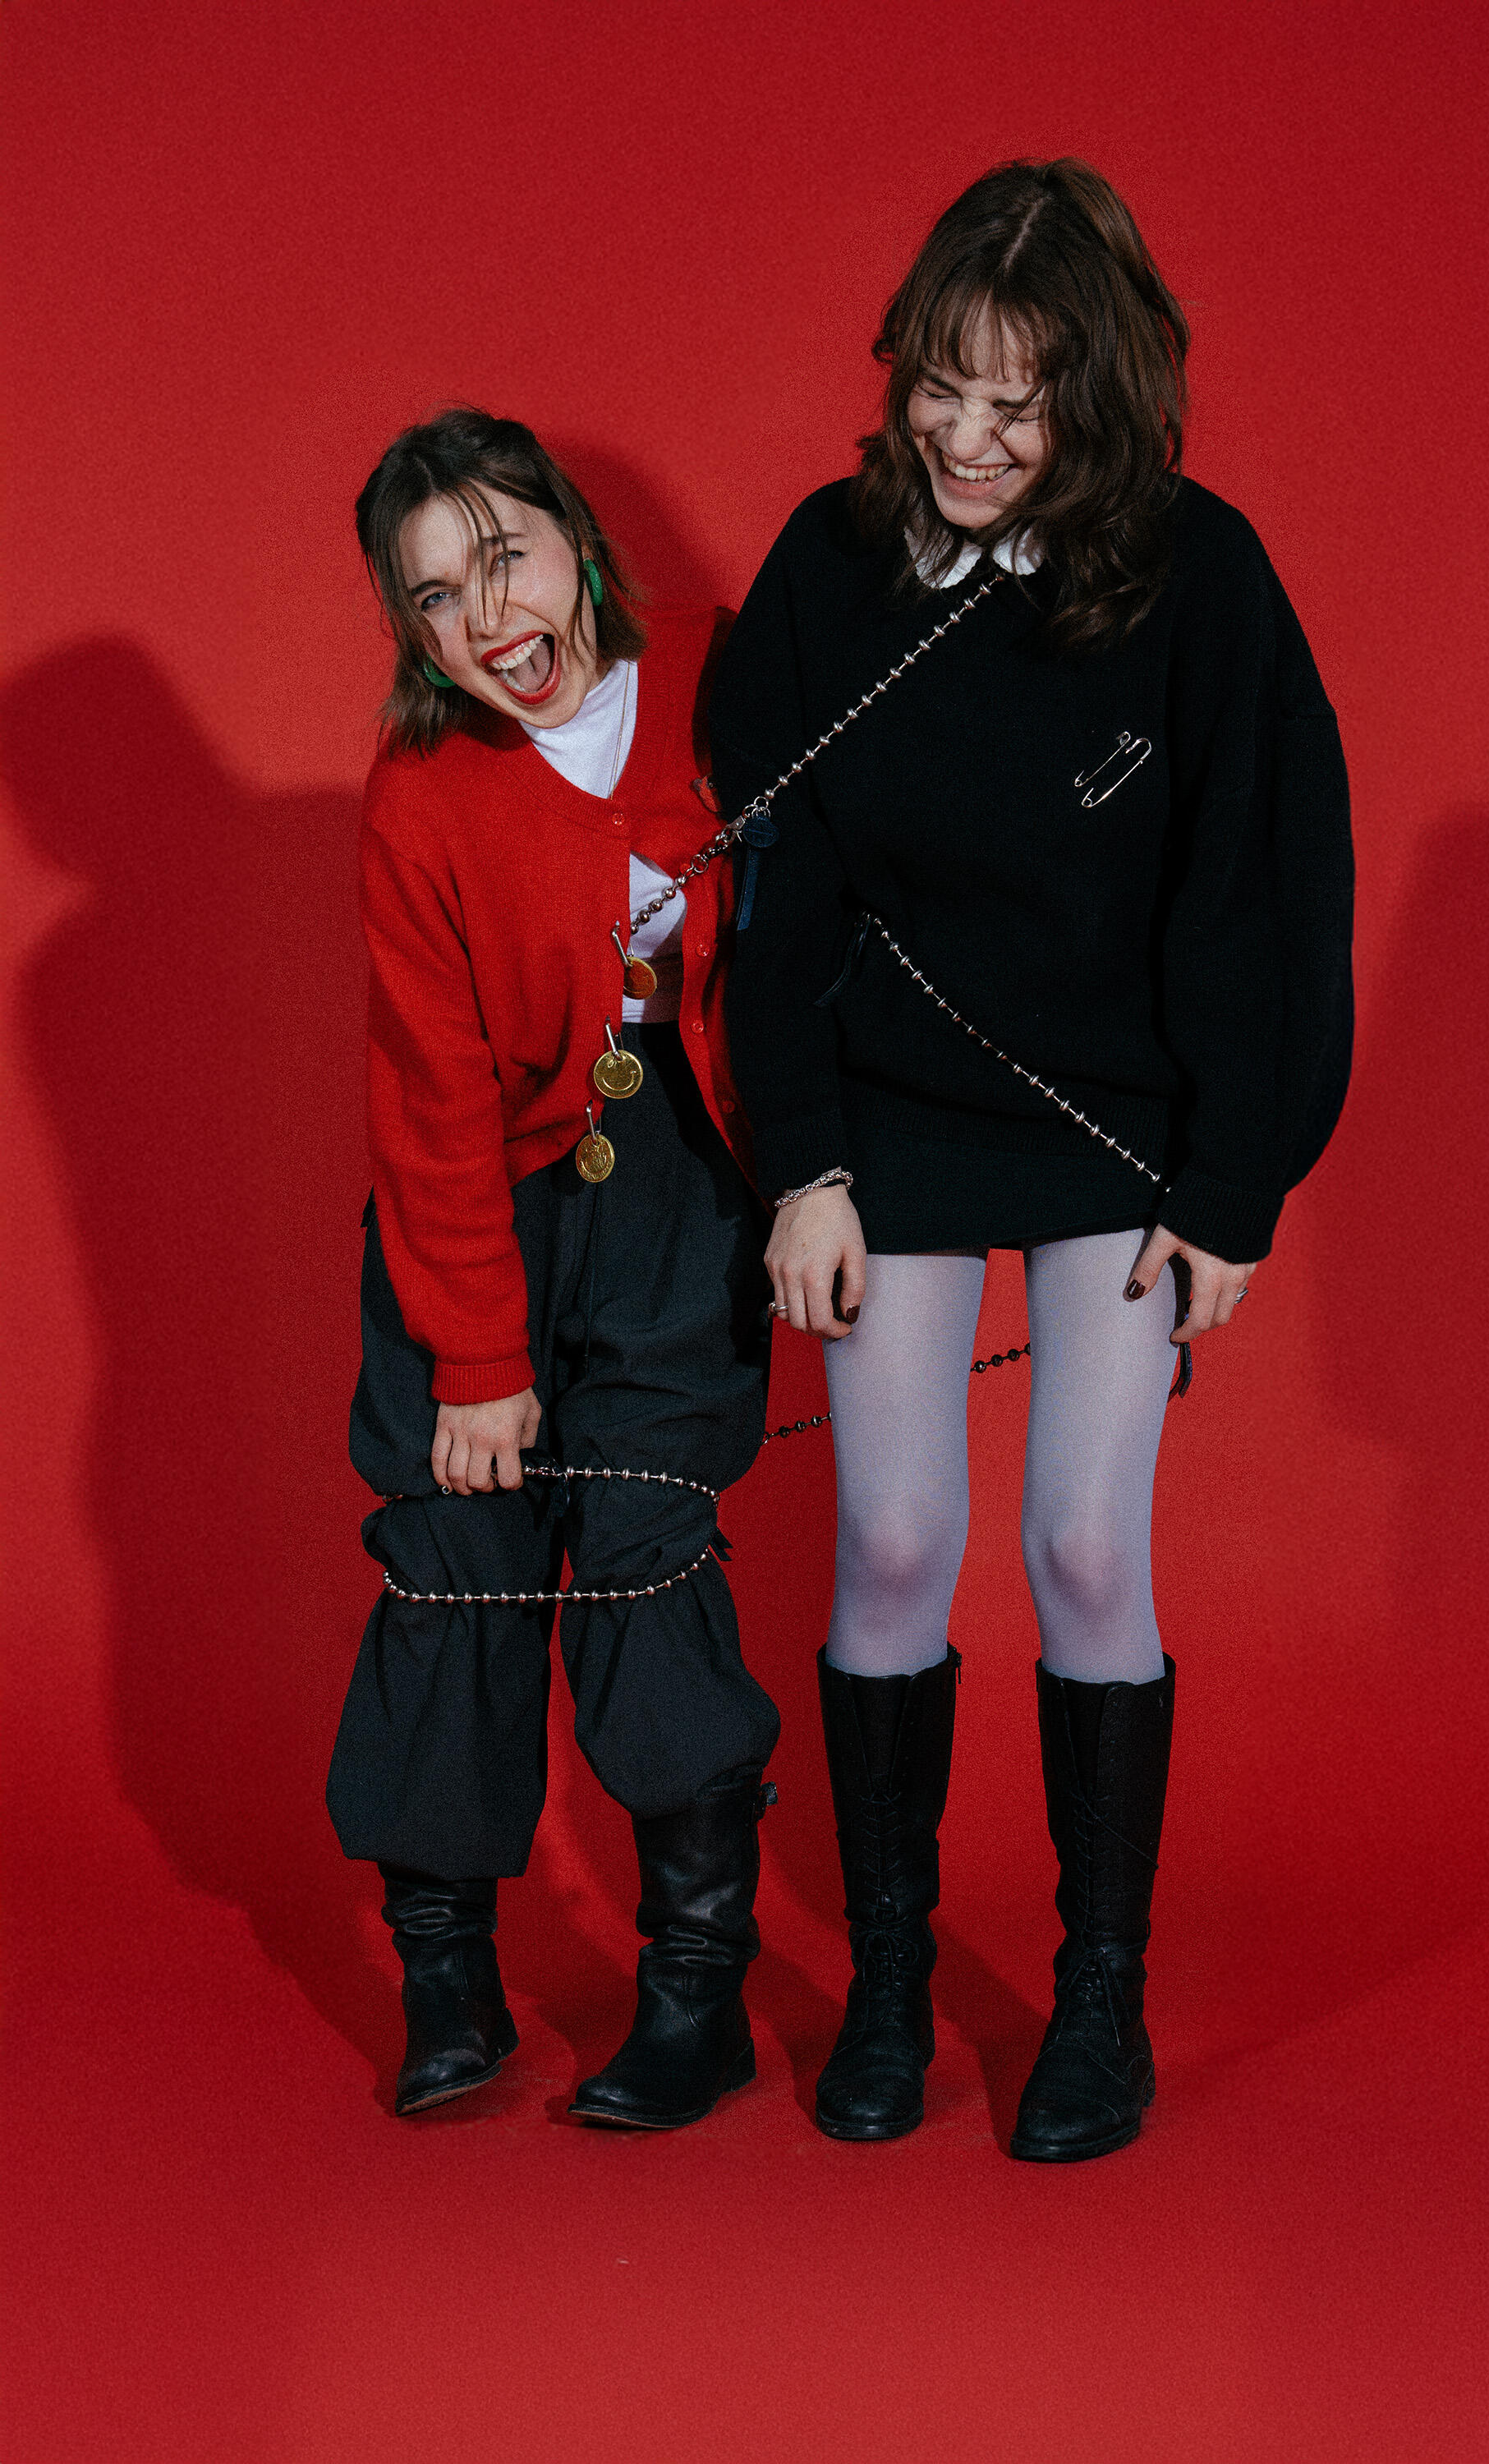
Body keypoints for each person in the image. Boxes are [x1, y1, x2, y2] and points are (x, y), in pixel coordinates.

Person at [710, 160, 1353, 2161]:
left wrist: (1231, 1183)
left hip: (1117, 1131)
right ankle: (892, 1984)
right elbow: (777, 876)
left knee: (1085, 1543)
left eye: (1023, 404)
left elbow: (1262, 890)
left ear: (1105, 398)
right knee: (892, 1540)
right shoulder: (830, 567)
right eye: (942, 391)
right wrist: (799, 1160)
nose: (972, 443)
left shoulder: (1200, 576)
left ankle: (1096, 2004)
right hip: (888, 1119)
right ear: (899, 375)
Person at [327, 408, 779, 2126]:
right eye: (433, 597)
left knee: (647, 1561)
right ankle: (450, 1988)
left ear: (575, 538)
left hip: (674, 1192)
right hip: (479, 1209)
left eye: (501, 552)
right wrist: (471, 1359)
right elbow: (428, 1095)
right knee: (458, 1558)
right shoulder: (420, 796)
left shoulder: (722, 700)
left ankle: (694, 1994)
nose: (486, 617)